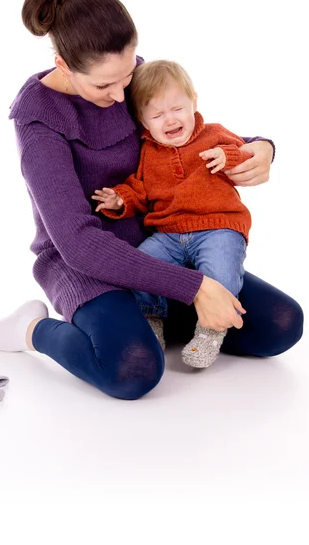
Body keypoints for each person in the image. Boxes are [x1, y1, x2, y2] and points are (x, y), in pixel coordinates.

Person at [0, 0, 303, 400]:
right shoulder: (39, 122)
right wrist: (195, 288)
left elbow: (191, 134)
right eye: (105, 85)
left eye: (128, 75)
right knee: (133, 371)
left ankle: (151, 319)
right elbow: (79, 245)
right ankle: (30, 330)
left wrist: (262, 148)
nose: (123, 96)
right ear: (64, 66)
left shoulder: (129, 76)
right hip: (83, 264)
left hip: (161, 244)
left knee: (282, 324)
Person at [93, 60, 253, 368]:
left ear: (193, 101)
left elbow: (246, 152)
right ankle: (152, 320)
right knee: (141, 264)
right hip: (168, 234)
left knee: (221, 270)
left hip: (218, 227)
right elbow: (138, 190)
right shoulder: (148, 153)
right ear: (143, 120)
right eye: (157, 114)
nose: (170, 120)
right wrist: (119, 200)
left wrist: (228, 155)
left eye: (178, 109)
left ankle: (210, 331)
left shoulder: (214, 135)